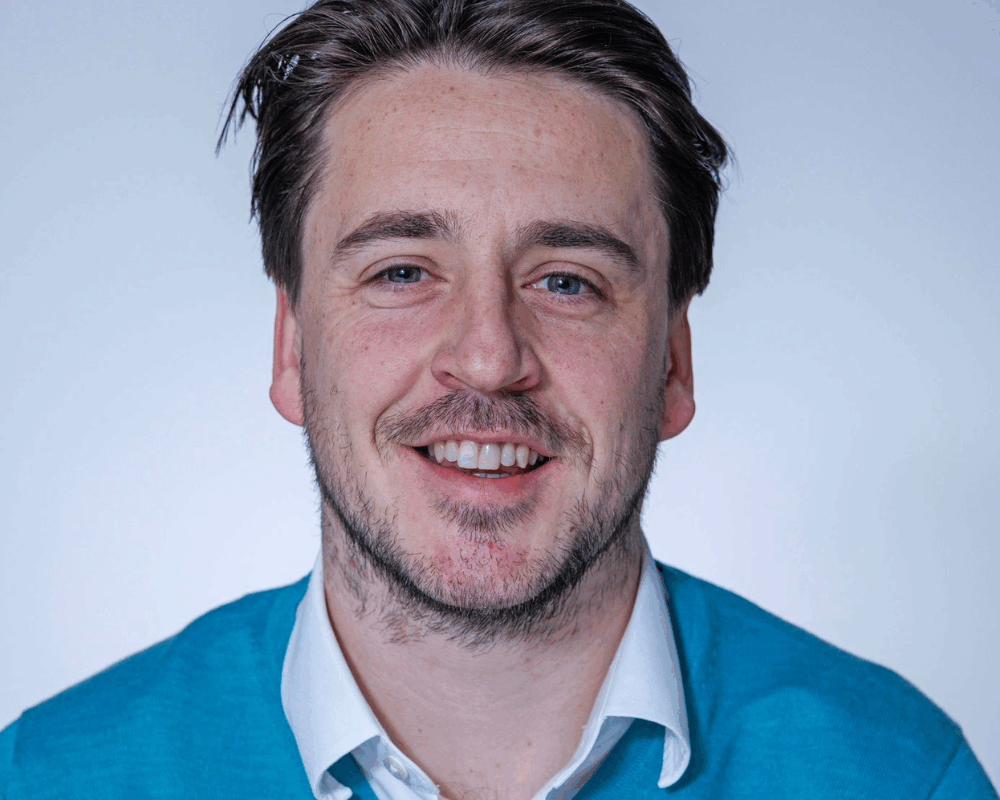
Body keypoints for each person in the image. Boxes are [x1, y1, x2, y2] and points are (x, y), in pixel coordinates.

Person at [1, 0, 995, 798]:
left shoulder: (897, 777)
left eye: (567, 281)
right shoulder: (45, 778)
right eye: (401, 271)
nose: (486, 358)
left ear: (673, 365)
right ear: (294, 347)